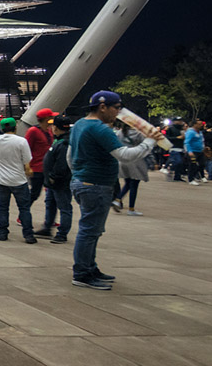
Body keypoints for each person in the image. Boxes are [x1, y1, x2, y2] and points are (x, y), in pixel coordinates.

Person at [68, 91, 161, 290]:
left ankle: (89, 268)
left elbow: (70, 155)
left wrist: (78, 174)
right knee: (89, 231)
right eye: (116, 107)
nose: (119, 113)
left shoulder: (79, 125)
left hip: (83, 182)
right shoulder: (100, 129)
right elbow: (125, 155)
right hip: (95, 185)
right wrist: (150, 141)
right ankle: (82, 273)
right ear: (103, 107)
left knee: (92, 230)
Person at [0, 118, 36, 244]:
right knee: (24, 208)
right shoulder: (21, 141)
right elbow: (27, 161)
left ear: (2, 128)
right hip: (18, 180)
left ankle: (2, 233)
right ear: (15, 128)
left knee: (3, 207)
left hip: (1, 180)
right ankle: (28, 235)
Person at [34, 115, 73, 243]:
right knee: (50, 203)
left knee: (64, 207)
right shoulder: (60, 140)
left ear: (55, 127)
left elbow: (62, 165)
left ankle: (62, 233)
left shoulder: (64, 143)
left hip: (59, 182)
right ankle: (47, 227)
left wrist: (53, 177)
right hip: (53, 182)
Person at [111, 122, 148, 217]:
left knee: (128, 183)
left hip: (123, 160)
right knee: (134, 185)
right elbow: (145, 146)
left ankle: (118, 200)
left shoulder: (119, 133)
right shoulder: (138, 134)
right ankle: (131, 209)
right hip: (135, 160)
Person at [26, 109, 58, 208]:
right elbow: (26, 148)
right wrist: (27, 166)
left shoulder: (49, 131)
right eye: (51, 117)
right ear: (46, 119)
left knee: (51, 194)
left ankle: (50, 219)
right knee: (34, 193)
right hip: (37, 168)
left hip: (49, 168)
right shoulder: (33, 131)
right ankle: (23, 214)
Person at [185, 120, 206, 185]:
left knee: (202, 164)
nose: (201, 125)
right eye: (199, 124)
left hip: (200, 151)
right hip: (193, 151)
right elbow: (187, 142)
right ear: (195, 124)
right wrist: (190, 151)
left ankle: (196, 176)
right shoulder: (191, 132)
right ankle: (191, 179)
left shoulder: (200, 132)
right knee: (193, 165)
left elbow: (201, 141)